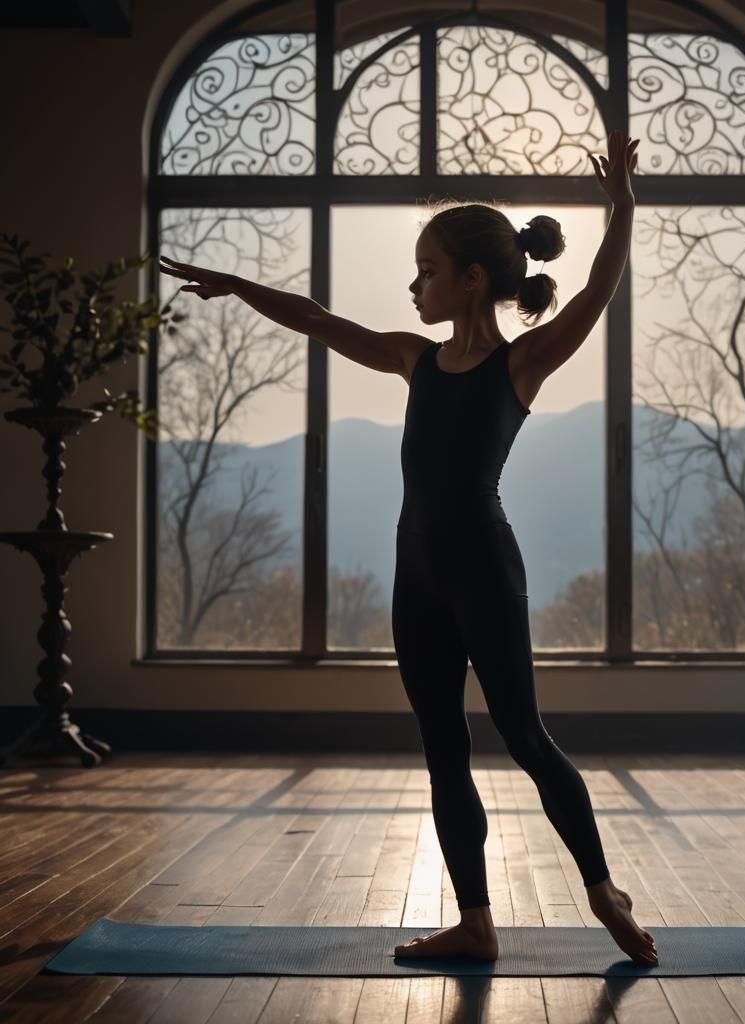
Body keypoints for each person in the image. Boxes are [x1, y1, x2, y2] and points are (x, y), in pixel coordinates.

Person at [159, 128, 656, 966]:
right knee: (442, 749)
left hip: (484, 574)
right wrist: (238, 286)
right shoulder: (412, 358)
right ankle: (475, 918)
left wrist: (624, 212)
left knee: (525, 736)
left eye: (427, 270)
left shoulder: (520, 365)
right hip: (415, 578)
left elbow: (595, 297)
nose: (413, 285)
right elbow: (317, 319)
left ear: (471, 280)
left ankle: (603, 887)